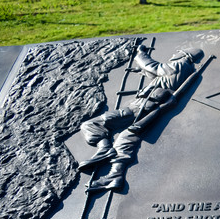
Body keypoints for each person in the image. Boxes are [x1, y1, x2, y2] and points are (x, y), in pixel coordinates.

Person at [79, 45, 204, 191]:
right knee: (127, 137)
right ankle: (115, 176)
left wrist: (141, 53)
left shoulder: (179, 64)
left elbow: (152, 66)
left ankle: (105, 148)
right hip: (151, 107)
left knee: (91, 124)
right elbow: (160, 78)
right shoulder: (186, 70)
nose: (174, 55)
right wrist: (143, 72)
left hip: (141, 106)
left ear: (183, 55)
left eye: (178, 53)